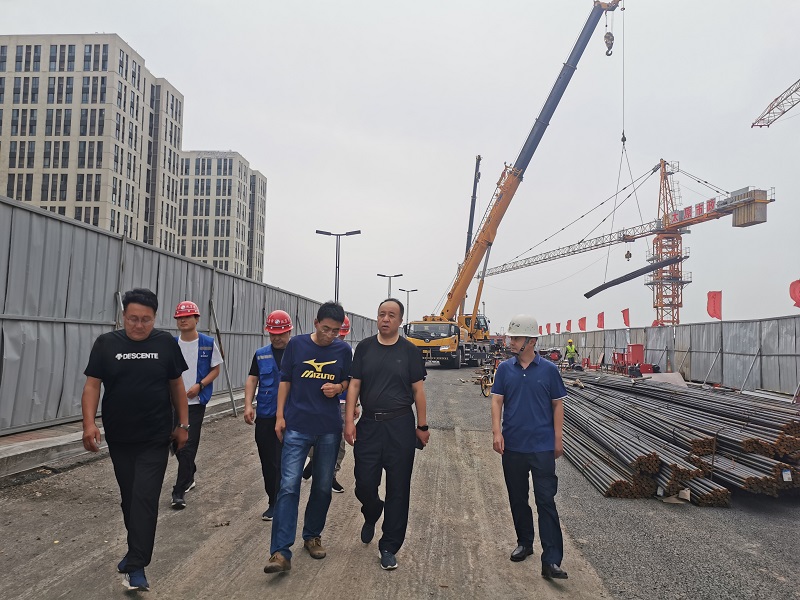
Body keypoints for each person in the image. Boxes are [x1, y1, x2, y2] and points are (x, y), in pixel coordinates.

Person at [81, 288, 189, 592]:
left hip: (155, 437)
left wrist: (183, 424)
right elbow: (92, 386)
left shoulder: (165, 344)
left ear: (155, 318)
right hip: (120, 438)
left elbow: (177, 386)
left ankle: (137, 566)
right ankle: (134, 551)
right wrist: (89, 424)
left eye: (146, 319)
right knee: (130, 498)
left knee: (144, 498)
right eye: (133, 319)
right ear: (123, 316)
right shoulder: (106, 344)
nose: (139, 325)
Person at [264, 302, 353, 574]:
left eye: (335, 331)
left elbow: (349, 382)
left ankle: (312, 536)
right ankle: (280, 551)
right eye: (325, 329)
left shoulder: (343, 350)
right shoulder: (297, 345)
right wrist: (280, 416)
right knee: (288, 486)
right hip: (297, 426)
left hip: (328, 429)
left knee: (323, 486)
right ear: (316, 323)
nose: (330, 335)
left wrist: (338, 387)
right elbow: (286, 381)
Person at [344, 298, 428, 571]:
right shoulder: (365, 348)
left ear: (400, 321)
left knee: (398, 488)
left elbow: (418, 391)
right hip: (369, 424)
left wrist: (422, 427)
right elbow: (354, 385)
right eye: (382, 314)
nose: (386, 319)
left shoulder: (410, 351)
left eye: (392, 315)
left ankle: (389, 546)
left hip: (400, 425)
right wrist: (349, 420)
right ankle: (371, 511)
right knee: (364, 482)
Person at [491, 314, 569, 580]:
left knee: (545, 500)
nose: (511, 342)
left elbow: (557, 404)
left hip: (542, 446)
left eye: (516, 338)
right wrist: (497, 432)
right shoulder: (504, 369)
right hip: (513, 445)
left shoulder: (549, 370)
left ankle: (552, 560)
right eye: (511, 337)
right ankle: (525, 542)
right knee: (518, 497)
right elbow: (497, 401)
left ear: (531, 341)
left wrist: (557, 438)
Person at [170, 300, 223, 510]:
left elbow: (215, 369)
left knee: (188, 445)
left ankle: (178, 491)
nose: (183, 320)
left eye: (187, 317)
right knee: (174, 442)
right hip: (173, 403)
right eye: (180, 318)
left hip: (195, 402)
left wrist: (200, 385)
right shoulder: (172, 344)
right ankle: (189, 472)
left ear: (196, 319)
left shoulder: (207, 343)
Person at [243, 309, 293, 521]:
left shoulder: (298, 353)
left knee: (285, 461)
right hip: (265, 415)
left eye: (281, 333)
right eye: (273, 333)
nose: (276, 337)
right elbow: (252, 379)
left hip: (291, 416)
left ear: (289, 332)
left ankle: (284, 501)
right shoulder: (261, 354)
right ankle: (273, 501)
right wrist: (248, 405)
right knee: (268, 461)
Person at [302, 314, 352, 493]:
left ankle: (331, 475)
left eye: (339, 333)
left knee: (338, 443)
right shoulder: (314, 350)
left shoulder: (347, 352)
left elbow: (353, 381)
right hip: (318, 404)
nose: (336, 337)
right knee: (314, 437)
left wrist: (355, 404)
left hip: (341, 403)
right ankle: (314, 462)